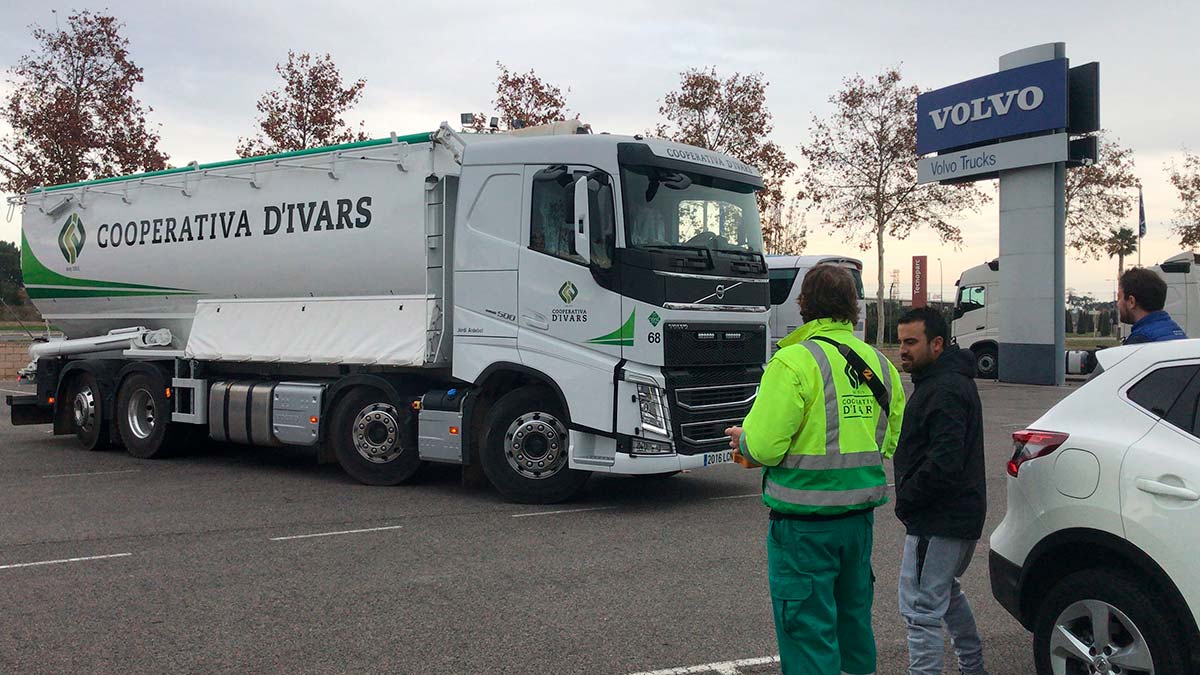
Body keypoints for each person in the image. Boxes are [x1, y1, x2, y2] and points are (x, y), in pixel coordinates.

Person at [724, 265, 905, 675]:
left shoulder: (794, 362)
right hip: (858, 524)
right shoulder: (880, 365)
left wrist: (745, 441)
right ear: (853, 309)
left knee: (808, 634)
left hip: (803, 527)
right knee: (853, 628)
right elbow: (889, 441)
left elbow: (767, 445)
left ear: (804, 306)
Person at [893, 307, 987, 675]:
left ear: (937, 343)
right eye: (901, 342)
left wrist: (910, 497)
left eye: (911, 342)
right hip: (957, 517)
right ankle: (972, 665)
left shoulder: (944, 388)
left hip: (938, 520)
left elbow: (945, 461)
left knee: (920, 611)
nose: (903, 350)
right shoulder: (945, 380)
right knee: (945, 594)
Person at [1118, 267, 1186, 344]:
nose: (1118, 304)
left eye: (1119, 298)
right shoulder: (1176, 331)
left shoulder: (1141, 340)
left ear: (1131, 302)